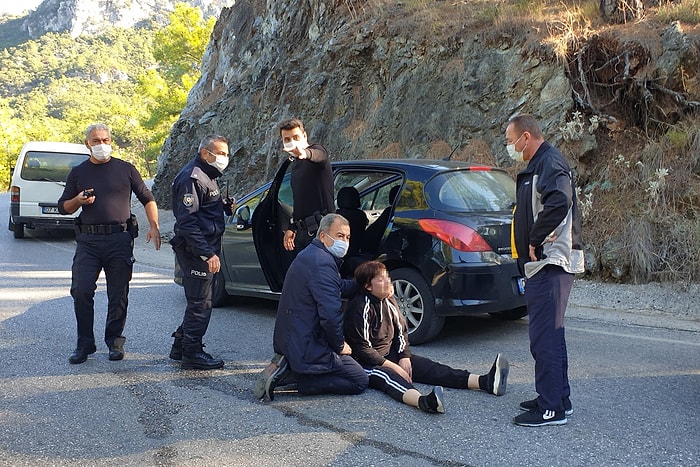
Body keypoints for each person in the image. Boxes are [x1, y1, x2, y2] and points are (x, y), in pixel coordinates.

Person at [344, 261, 509, 414]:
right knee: (389, 377)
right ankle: (423, 402)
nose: (388, 282)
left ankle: (484, 381)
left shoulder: (388, 299)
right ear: (367, 286)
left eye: (387, 276)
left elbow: (401, 331)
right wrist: (394, 367)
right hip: (365, 362)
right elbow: (362, 349)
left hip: (390, 353)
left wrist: (404, 357)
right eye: (381, 280)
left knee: (430, 368)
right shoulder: (359, 307)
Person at [58, 123, 161, 364]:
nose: (102, 145)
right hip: (88, 241)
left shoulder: (126, 169)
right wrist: (78, 200)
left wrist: (154, 226)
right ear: (87, 144)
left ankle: (114, 341)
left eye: (105, 140)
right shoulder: (78, 172)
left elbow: (147, 198)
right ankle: (85, 343)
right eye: (96, 141)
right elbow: (64, 207)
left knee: (118, 294)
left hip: (119, 239)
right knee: (81, 290)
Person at [506, 114, 585, 427]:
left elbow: (559, 202)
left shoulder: (550, 163)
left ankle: (550, 409)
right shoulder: (539, 165)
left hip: (551, 262)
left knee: (544, 338)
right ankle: (558, 398)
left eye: (512, 141)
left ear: (527, 137)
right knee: (551, 335)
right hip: (542, 263)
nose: (510, 147)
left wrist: (535, 241)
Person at [258, 214, 368, 400]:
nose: (344, 242)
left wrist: (361, 282)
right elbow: (331, 316)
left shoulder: (313, 255)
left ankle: (292, 366)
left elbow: (336, 286)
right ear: (323, 236)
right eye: (340, 236)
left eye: (347, 238)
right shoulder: (322, 263)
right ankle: (299, 379)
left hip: (294, 338)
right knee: (359, 380)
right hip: (307, 344)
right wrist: (340, 346)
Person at [168, 134, 234, 370]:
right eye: (221, 154)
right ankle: (192, 353)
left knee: (198, 301)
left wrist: (223, 207)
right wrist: (207, 253)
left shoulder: (208, 175)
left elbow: (204, 209)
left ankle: (180, 344)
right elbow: (187, 222)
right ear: (206, 153)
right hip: (196, 251)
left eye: (227, 154)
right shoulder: (193, 178)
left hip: (203, 247)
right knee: (200, 304)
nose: (225, 158)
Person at [280, 117, 335, 252]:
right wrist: (292, 227)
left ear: (304, 136)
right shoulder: (295, 165)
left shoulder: (316, 152)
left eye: (296, 137)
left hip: (322, 231)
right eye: (287, 139)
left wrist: (305, 153)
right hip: (302, 232)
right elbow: (299, 201)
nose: (292, 142)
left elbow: (319, 155)